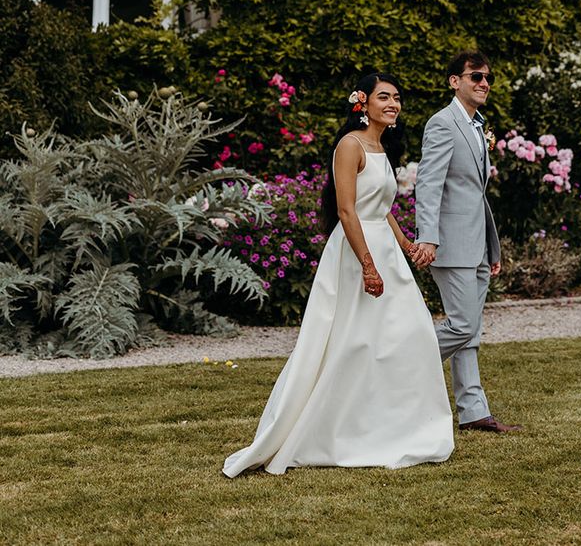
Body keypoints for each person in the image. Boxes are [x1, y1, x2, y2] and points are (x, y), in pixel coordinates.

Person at [222, 73, 454, 476]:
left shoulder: (382, 146)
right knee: (351, 343)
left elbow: (382, 208)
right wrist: (367, 265)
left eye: (397, 98)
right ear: (363, 103)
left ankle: (398, 427)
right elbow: (348, 211)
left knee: (410, 337)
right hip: (355, 253)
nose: (393, 104)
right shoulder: (350, 145)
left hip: (387, 253)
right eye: (384, 97)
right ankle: (332, 433)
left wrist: (405, 245)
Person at [412, 50, 523, 434]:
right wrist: (427, 236)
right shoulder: (442, 124)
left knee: (471, 331)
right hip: (450, 243)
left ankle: (473, 411)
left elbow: (475, 193)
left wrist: (491, 248)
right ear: (454, 81)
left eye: (487, 77)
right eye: (475, 76)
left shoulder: (478, 126)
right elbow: (429, 183)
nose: (484, 83)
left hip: (477, 244)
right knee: (461, 325)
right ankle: (400, 366)